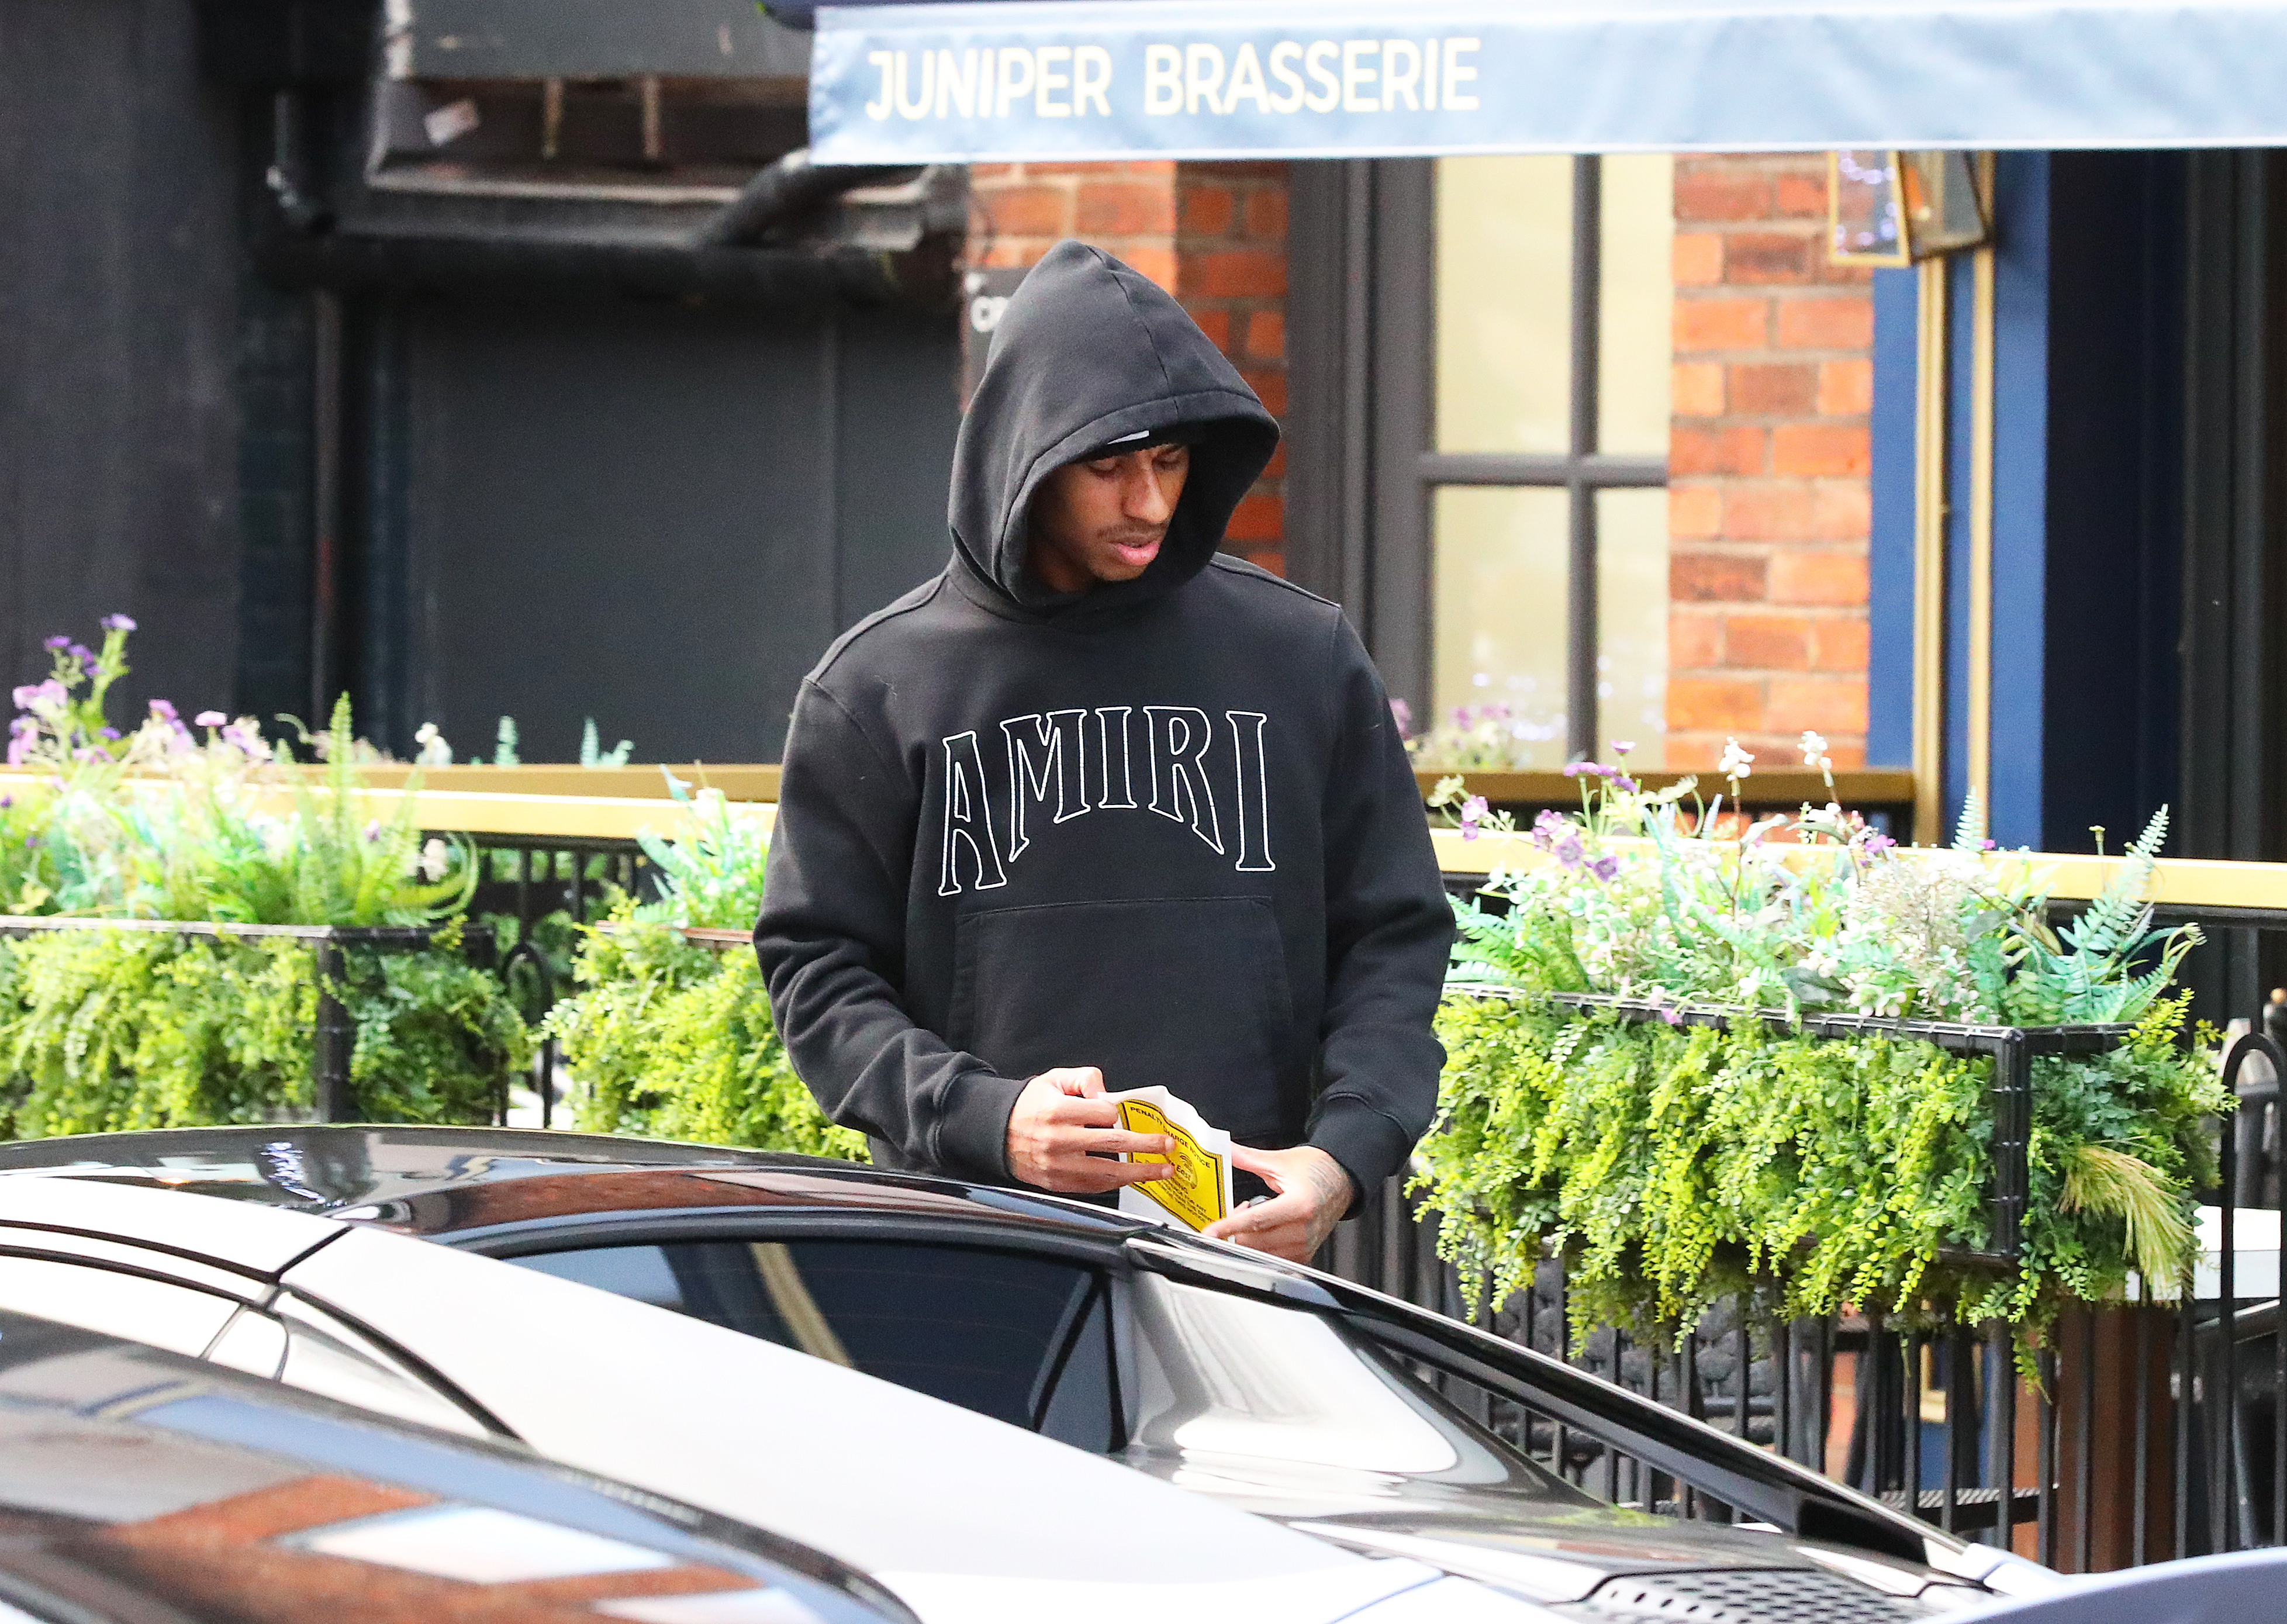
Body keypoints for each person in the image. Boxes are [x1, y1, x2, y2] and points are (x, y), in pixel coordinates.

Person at [754, 240, 1453, 1263]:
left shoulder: (1300, 657)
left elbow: (1393, 937)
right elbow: (818, 972)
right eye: (1108, 465)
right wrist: (988, 1119)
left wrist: (1338, 1158)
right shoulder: (880, 684)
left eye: (1169, 461)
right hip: (975, 1243)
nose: (1151, 505)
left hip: (1248, 1240)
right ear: (1023, 453)